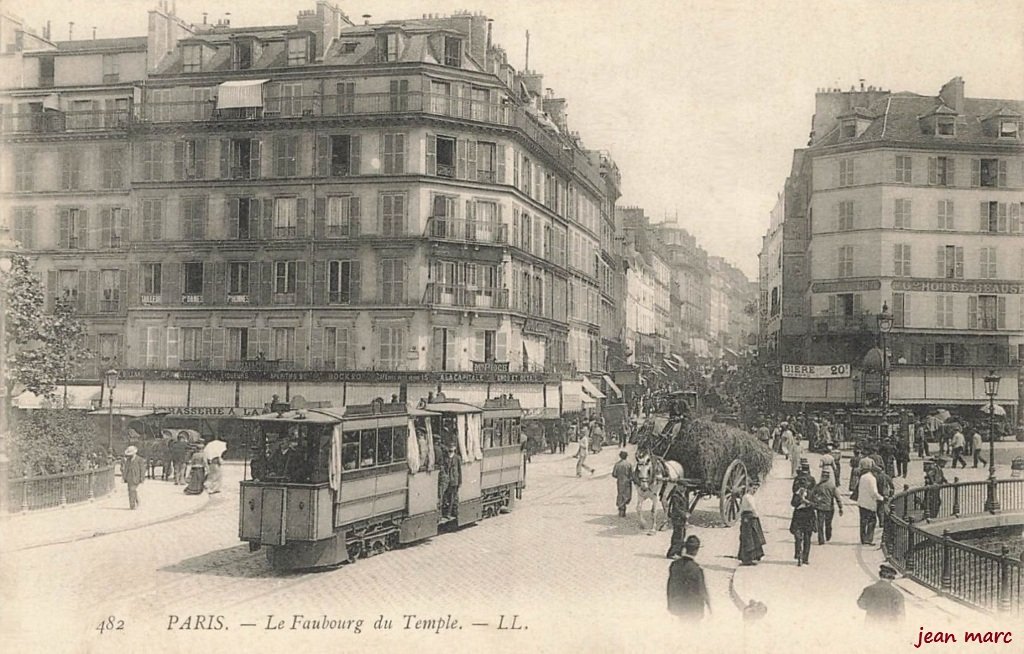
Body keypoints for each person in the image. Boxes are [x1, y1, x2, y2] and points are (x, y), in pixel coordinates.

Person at [666, 535, 712, 621]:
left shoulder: (674, 565)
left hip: (678, 607)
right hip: (693, 609)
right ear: (696, 550)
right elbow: (702, 591)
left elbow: (670, 586)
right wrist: (710, 608)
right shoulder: (697, 569)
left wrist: (670, 605)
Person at [810, 469, 843, 545]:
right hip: (829, 508)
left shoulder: (818, 485)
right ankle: (828, 535)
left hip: (820, 508)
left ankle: (821, 540)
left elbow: (812, 495)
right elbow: (837, 497)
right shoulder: (832, 486)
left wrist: (815, 501)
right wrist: (840, 507)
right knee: (828, 523)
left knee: (820, 524)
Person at [737, 484, 766, 565]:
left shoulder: (750, 497)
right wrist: (756, 515)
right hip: (749, 517)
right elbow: (752, 507)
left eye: (756, 489)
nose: (754, 490)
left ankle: (752, 557)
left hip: (748, 517)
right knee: (749, 537)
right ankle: (747, 558)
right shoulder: (747, 497)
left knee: (753, 536)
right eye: (753, 488)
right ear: (749, 488)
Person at [856, 458, 883, 544]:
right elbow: (874, 492)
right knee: (872, 521)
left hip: (861, 502)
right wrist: (881, 498)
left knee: (863, 521)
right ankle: (869, 539)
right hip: (869, 504)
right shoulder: (872, 478)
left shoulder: (862, 477)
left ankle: (863, 539)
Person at [789, 484, 815, 566]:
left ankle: (805, 558)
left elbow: (816, 504)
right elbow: (793, 503)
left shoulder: (811, 493)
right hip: (798, 519)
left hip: (808, 518)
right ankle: (799, 555)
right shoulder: (796, 495)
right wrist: (800, 500)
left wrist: (808, 502)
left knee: (807, 539)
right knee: (798, 538)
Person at [665, 485, 690, 559]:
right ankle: (671, 553)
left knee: (682, 535)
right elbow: (676, 508)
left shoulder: (683, 495)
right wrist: (684, 514)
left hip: (682, 518)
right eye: (683, 487)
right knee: (677, 535)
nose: (684, 488)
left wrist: (686, 514)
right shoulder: (675, 496)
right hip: (677, 518)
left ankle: (679, 553)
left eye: (685, 487)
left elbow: (685, 506)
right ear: (680, 487)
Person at [442, 443, 462, 519]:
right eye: (450, 447)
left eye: (452, 448)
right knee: (446, 497)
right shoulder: (446, 457)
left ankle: (449, 513)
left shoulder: (457, 458)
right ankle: (447, 512)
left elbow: (459, 471)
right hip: (447, 480)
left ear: (454, 448)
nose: (450, 449)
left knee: (452, 497)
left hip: (454, 481)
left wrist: (460, 481)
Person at [122, 445, 146, 510]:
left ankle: (132, 505)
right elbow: (126, 469)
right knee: (130, 491)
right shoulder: (128, 460)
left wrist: (142, 478)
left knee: (132, 490)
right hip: (129, 477)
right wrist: (124, 477)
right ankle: (135, 501)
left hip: (136, 477)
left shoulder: (139, 459)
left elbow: (142, 469)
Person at [611, 451, 633, 518]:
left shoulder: (617, 464)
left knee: (620, 494)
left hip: (620, 481)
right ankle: (624, 509)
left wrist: (619, 476)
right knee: (627, 495)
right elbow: (631, 474)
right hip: (627, 481)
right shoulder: (629, 464)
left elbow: (614, 474)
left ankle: (621, 510)